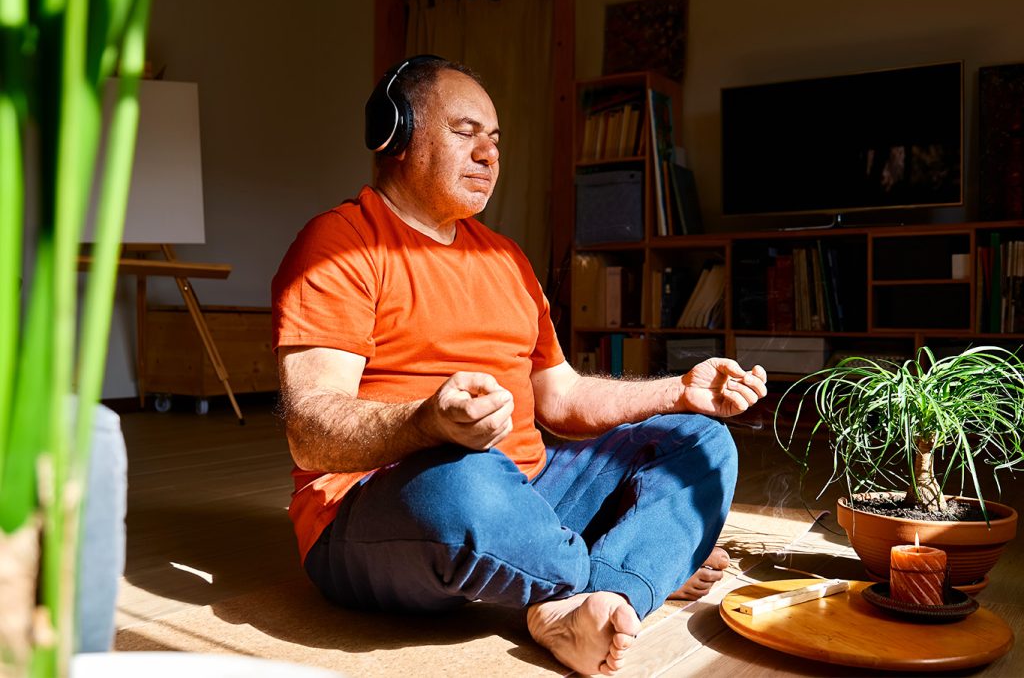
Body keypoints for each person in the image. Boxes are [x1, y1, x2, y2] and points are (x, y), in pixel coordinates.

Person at [271, 56, 767, 676]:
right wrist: (428, 423)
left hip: (528, 492)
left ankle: (596, 597)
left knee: (701, 440)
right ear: (395, 135)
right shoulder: (340, 243)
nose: (488, 154)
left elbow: (560, 399)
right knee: (462, 481)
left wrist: (680, 391)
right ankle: (625, 570)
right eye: (464, 132)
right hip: (389, 502)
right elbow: (310, 430)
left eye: (496, 139)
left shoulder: (507, 258)